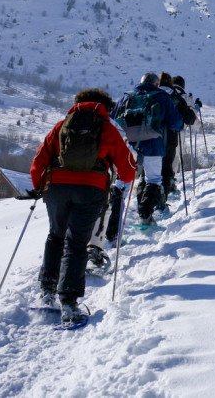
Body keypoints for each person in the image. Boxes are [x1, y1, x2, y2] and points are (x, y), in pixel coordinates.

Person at [31, 89, 136, 323]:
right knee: (76, 243)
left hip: (57, 188)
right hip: (91, 188)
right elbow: (127, 165)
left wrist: (39, 186)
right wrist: (125, 179)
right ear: (104, 106)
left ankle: (47, 292)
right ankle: (68, 304)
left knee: (55, 236)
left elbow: (39, 159)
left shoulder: (62, 126)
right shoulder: (107, 127)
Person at [112, 73, 183, 226]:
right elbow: (176, 122)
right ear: (156, 84)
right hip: (152, 144)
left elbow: (112, 119)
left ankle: (112, 221)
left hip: (127, 145)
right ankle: (145, 217)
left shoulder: (126, 97)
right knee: (153, 180)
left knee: (123, 180)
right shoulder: (162, 97)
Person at [158, 72, 196, 200]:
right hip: (175, 132)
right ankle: (169, 184)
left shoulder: (154, 93)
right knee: (172, 159)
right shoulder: (181, 97)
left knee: (154, 163)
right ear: (183, 86)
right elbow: (190, 116)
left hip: (152, 133)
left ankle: (149, 188)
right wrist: (195, 106)